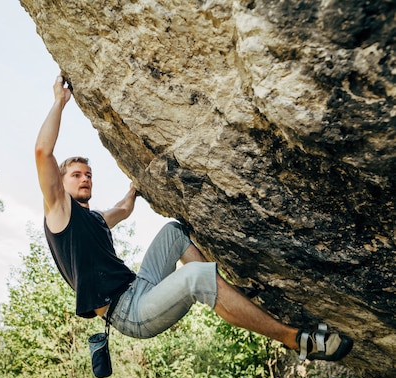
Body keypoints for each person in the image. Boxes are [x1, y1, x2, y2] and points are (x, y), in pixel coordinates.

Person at [34, 74, 353, 362]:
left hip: (138, 287)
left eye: (88, 174)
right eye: (76, 175)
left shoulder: (97, 220)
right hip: (129, 313)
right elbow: (42, 152)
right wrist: (59, 103)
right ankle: (297, 341)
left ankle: (217, 287)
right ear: (61, 183)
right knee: (196, 276)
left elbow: (124, 208)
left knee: (174, 231)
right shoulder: (60, 211)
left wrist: (135, 188)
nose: (85, 178)